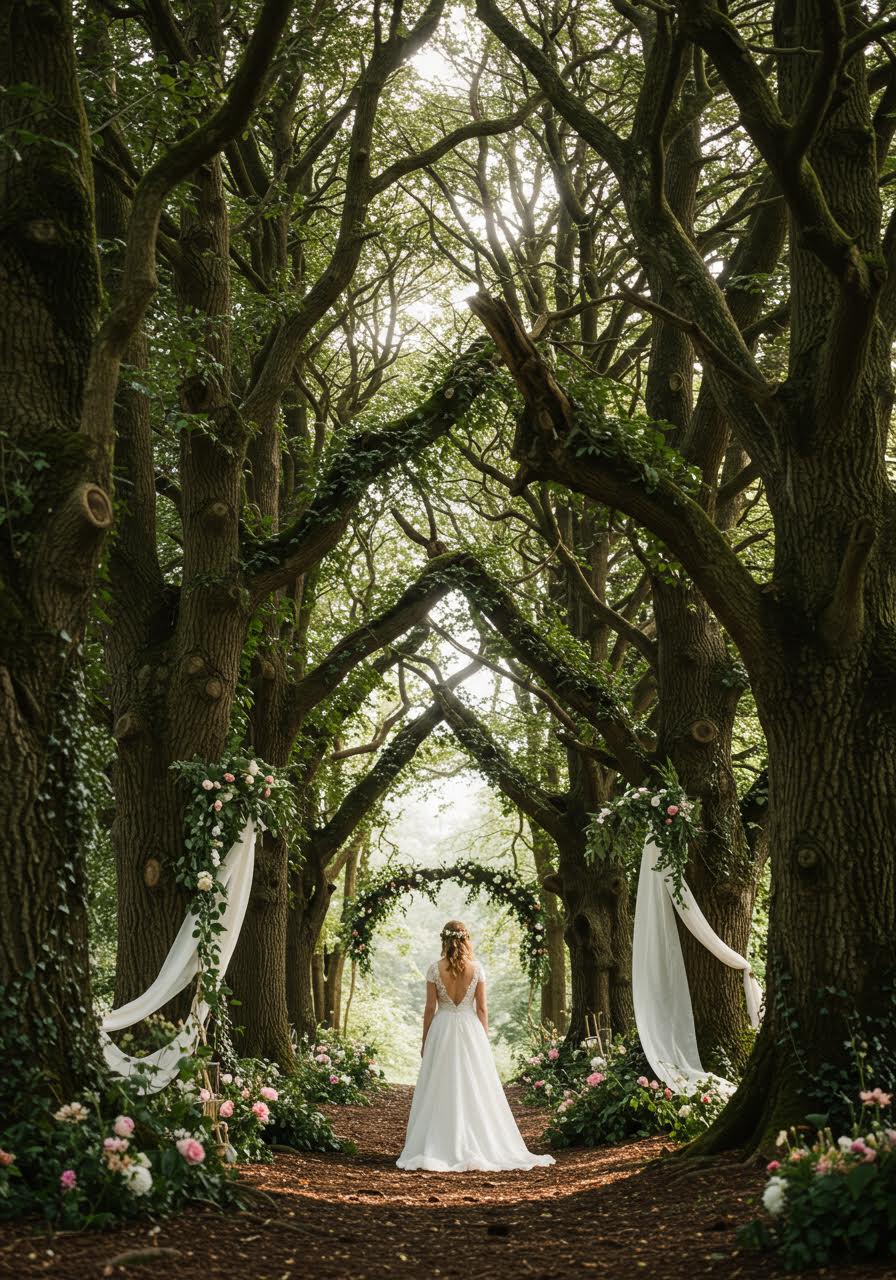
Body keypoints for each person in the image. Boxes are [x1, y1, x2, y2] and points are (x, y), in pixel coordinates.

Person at [396, 920, 555, 1172]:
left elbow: (430, 1008)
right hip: (470, 1028)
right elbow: (481, 1008)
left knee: (440, 1083)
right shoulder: (477, 969)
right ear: (466, 939)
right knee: (475, 1085)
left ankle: (437, 1142)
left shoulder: (434, 970)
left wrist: (424, 1040)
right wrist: (483, 1038)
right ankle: (477, 1140)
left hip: (442, 1028)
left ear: (444, 940)